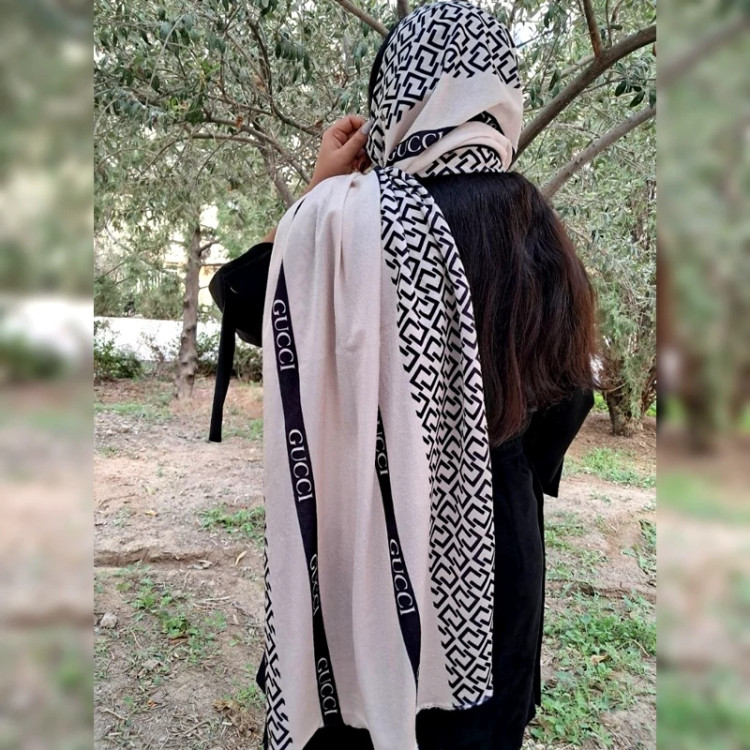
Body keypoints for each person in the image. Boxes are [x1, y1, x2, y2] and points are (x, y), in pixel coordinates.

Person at [233, 3, 596, 748]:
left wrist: (312, 194)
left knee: (354, 715)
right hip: (492, 556)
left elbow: (243, 302)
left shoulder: (344, 221)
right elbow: (570, 394)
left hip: (356, 530)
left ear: (394, 96)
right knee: (475, 726)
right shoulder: (529, 219)